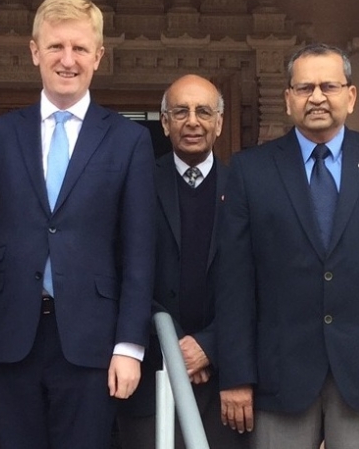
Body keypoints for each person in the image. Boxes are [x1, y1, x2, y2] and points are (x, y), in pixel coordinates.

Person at [0, 0, 156, 449]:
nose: (67, 59)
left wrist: (129, 346)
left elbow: (139, 251)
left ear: (98, 56)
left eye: (80, 48)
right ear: (35, 51)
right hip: (8, 339)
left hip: (92, 341)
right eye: (56, 46)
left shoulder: (128, 141)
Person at [215, 43, 359, 448]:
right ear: (288, 99)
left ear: (351, 95)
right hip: (279, 374)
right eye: (305, 87)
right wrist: (237, 375)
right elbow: (234, 282)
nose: (318, 97)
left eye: (329, 85)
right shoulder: (251, 170)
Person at [117, 74, 250, 448]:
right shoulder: (135, 183)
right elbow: (119, 269)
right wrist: (174, 343)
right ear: (164, 122)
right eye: (180, 111)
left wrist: (208, 345)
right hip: (147, 374)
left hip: (224, 379)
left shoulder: (246, 188)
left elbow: (257, 282)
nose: (192, 121)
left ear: (219, 123)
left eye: (203, 111)